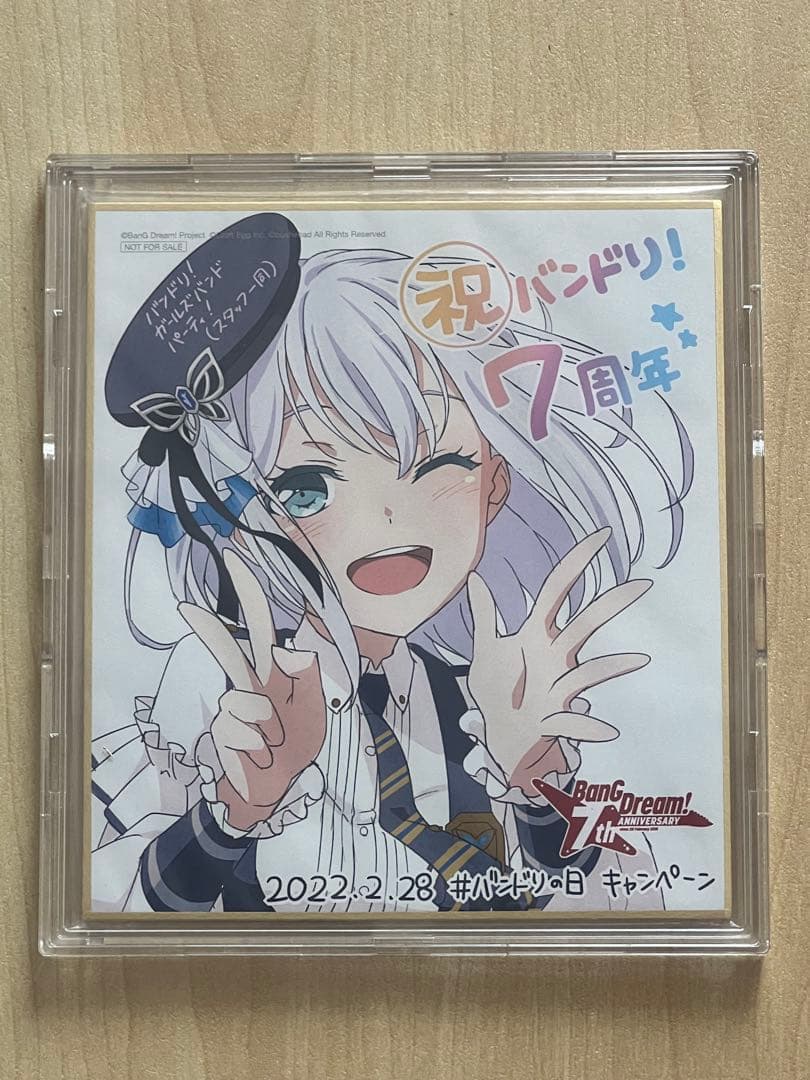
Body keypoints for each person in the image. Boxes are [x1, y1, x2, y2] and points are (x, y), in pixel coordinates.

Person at [91, 244, 692, 913]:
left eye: (437, 466)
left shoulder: (483, 705)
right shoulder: (215, 689)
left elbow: (619, 917)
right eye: (307, 487)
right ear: (244, 509)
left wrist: (537, 789)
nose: (386, 520)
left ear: (495, 484)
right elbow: (113, 912)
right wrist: (232, 816)